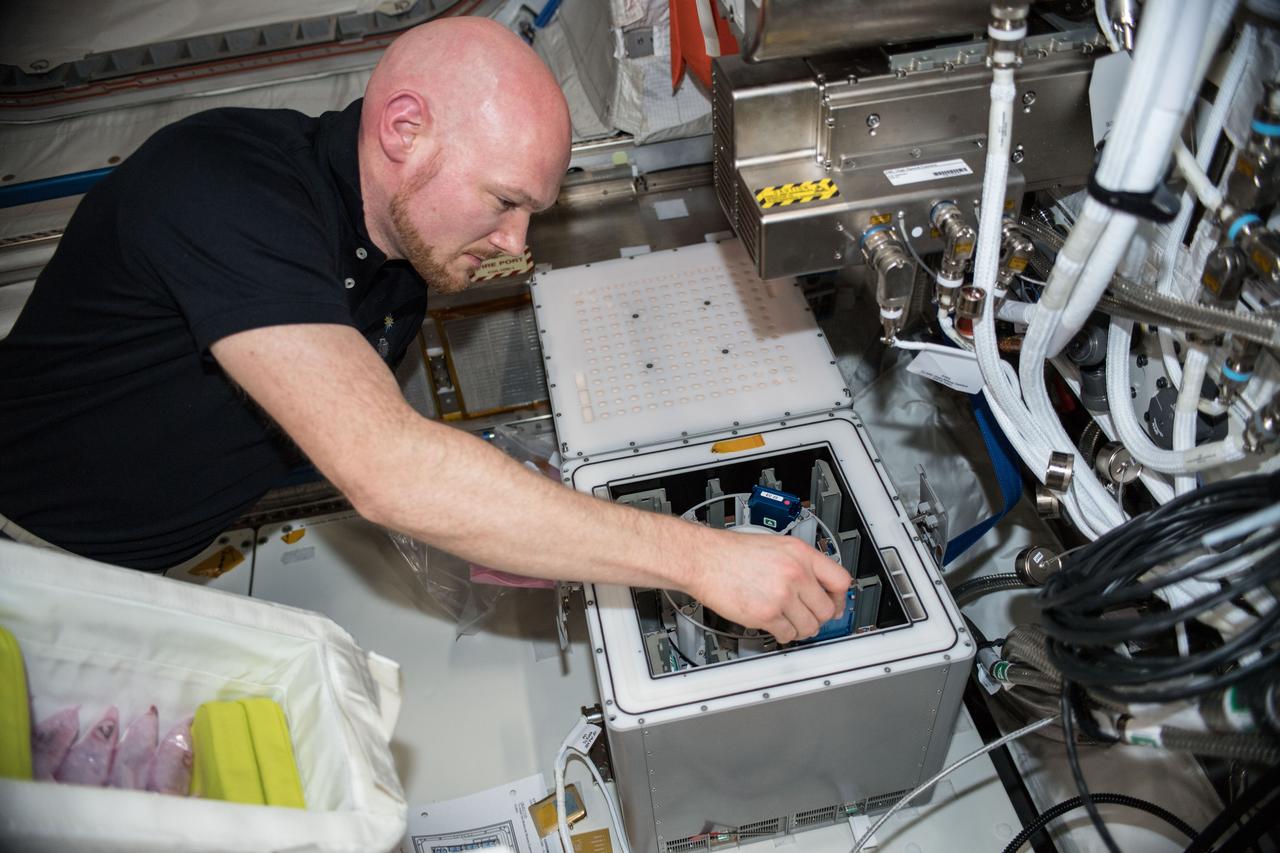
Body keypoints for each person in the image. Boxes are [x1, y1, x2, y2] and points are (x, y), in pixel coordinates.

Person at [0, 18, 848, 643]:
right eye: (505, 200)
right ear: (404, 129)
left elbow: (333, 427)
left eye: (532, 212)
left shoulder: (404, 269)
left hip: (133, 571)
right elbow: (386, 466)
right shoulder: (225, 187)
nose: (514, 243)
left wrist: (515, 514)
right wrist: (704, 560)